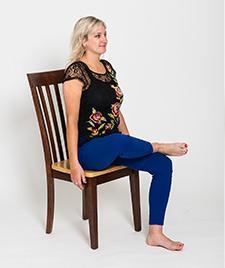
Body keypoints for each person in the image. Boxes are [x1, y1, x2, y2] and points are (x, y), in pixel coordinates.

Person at [63, 16, 187, 251]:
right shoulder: (75, 72)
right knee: (123, 142)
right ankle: (158, 145)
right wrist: (74, 164)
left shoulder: (107, 68)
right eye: (98, 35)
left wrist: (131, 143)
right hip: (88, 150)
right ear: (83, 40)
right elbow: (71, 121)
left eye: (105, 34)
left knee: (162, 165)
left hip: (115, 145)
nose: (104, 39)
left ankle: (155, 233)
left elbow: (115, 110)